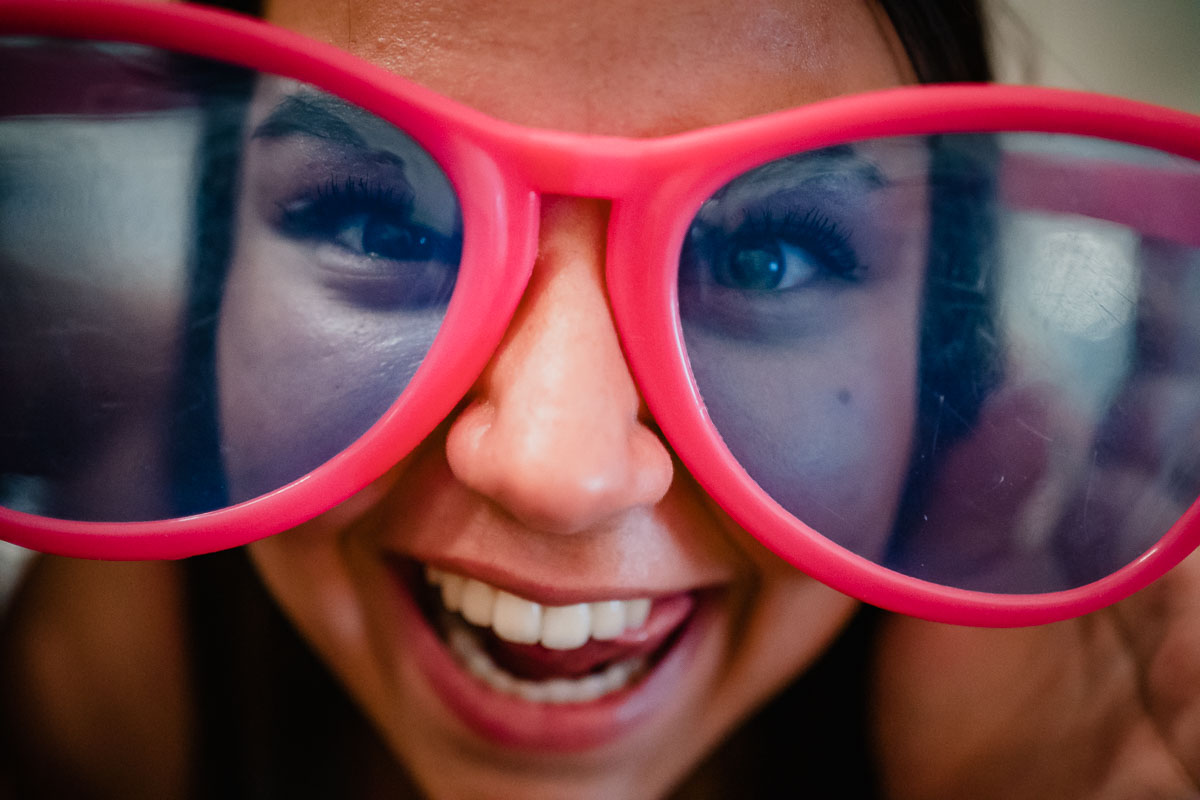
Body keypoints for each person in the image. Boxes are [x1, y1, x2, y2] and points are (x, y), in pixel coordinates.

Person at [2, 1, 1198, 798]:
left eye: (766, 257)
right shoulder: (120, 672)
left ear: (944, 362)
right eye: (376, 225)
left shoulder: (1069, 719)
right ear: (218, 279)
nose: (558, 474)